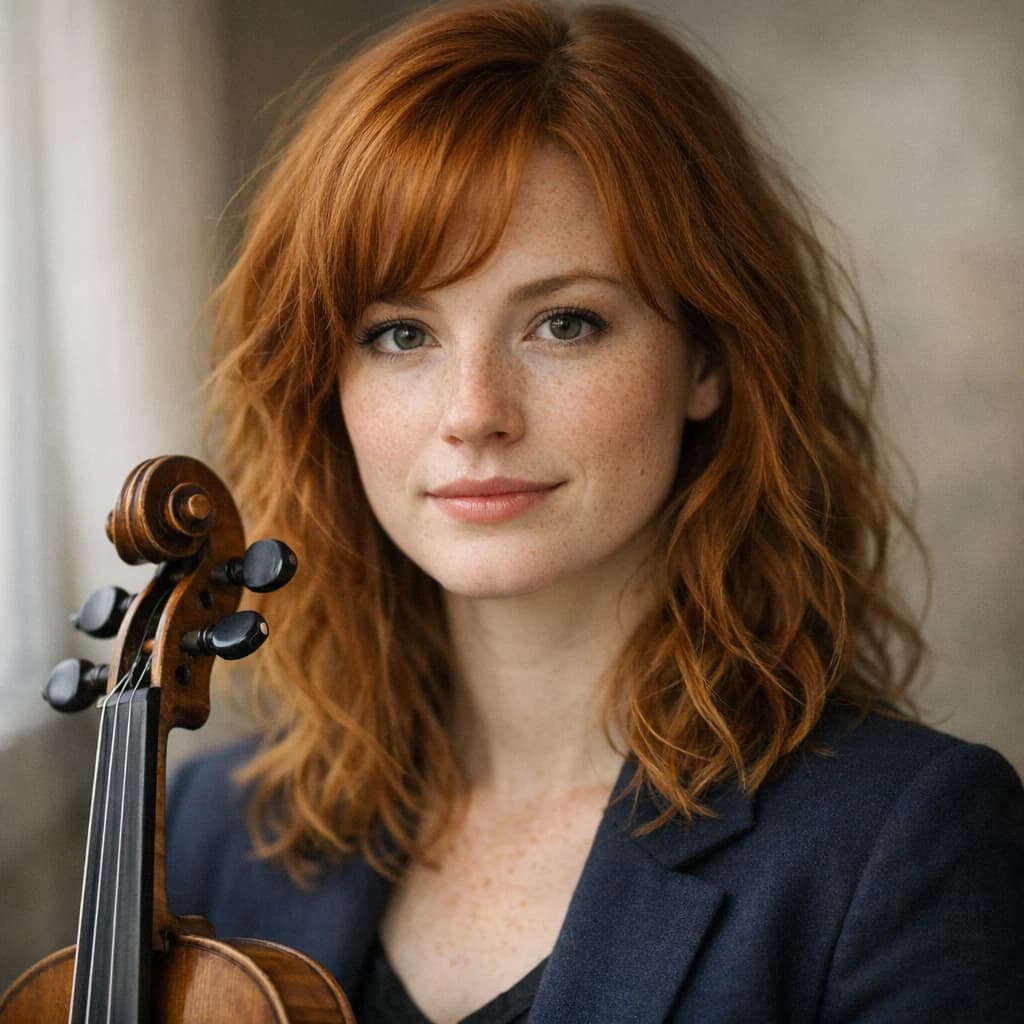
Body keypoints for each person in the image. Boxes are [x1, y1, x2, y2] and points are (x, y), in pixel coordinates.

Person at [166, 1, 1024, 1020]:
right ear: (326, 381)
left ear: (707, 356)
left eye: (564, 323)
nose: (474, 413)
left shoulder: (902, 839)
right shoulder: (216, 826)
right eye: (399, 333)